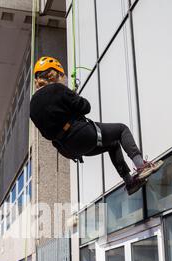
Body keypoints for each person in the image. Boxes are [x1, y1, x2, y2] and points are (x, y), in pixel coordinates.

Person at [30, 56, 163, 196]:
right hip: (82, 134)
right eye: (62, 75)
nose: (63, 78)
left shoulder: (32, 106)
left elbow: (48, 128)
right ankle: (141, 166)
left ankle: (130, 182)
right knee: (121, 129)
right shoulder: (57, 89)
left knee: (113, 144)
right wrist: (73, 96)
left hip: (69, 149)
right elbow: (85, 107)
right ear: (54, 73)